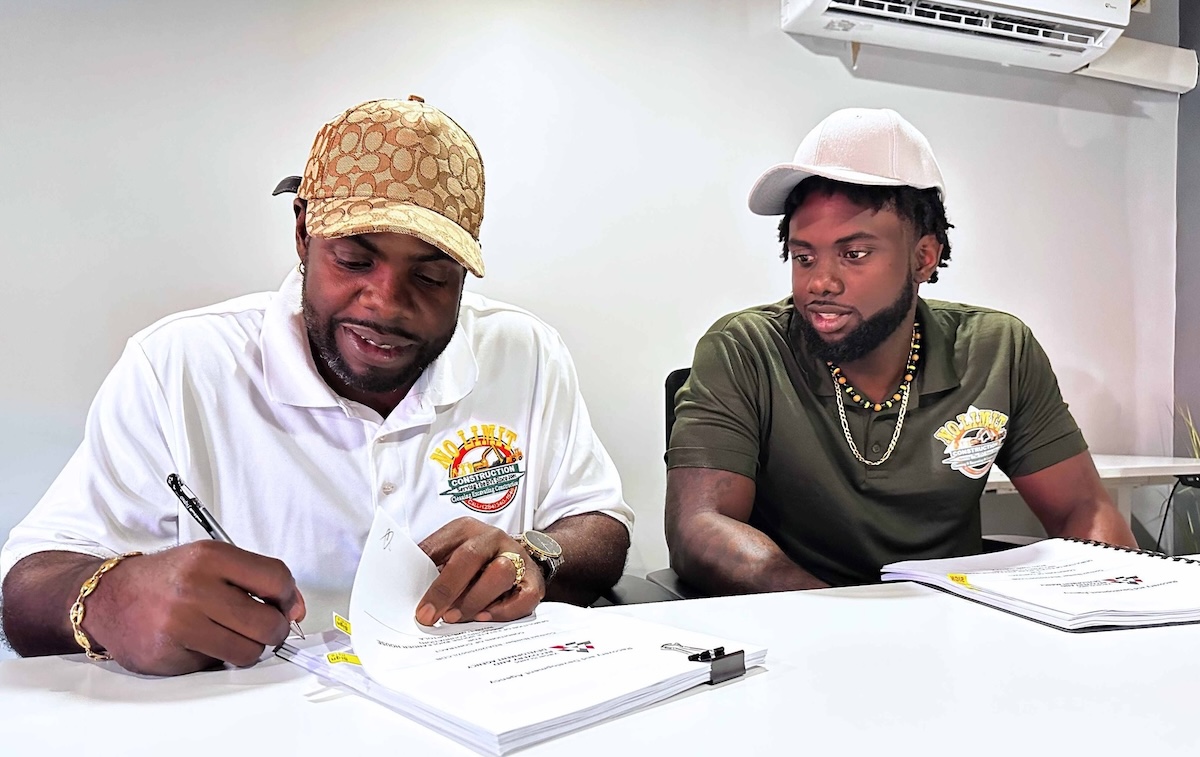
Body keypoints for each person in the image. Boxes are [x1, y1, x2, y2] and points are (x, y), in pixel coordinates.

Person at [0, 97, 633, 675]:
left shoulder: (524, 352)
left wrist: (536, 554)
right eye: (355, 260)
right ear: (303, 233)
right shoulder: (178, 366)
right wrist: (108, 600)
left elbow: (599, 522)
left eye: (432, 276)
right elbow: (27, 587)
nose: (386, 302)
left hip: (480, 709)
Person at [665, 107, 1135, 596]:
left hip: (953, 622)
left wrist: (1123, 604)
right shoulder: (746, 349)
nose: (820, 282)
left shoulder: (997, 350)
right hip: (799, 618)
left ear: (923, 258)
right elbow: (700, 526)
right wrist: (834, 611)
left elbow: (1083, 508)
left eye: (854, 254)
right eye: (804, 257)